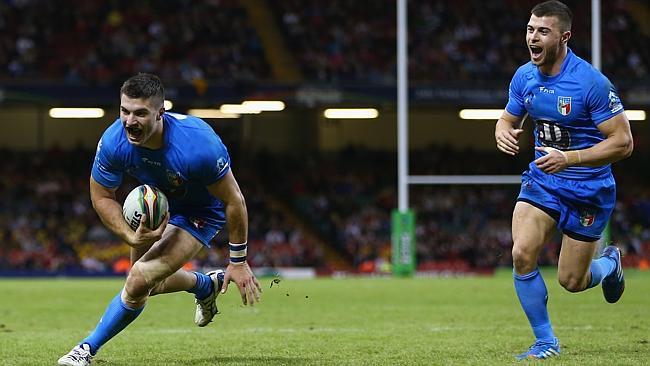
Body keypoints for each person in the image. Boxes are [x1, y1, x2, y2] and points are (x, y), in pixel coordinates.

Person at [58, 73, 262, 366]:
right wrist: (129, 236)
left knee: (138, 281)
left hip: (200, 213)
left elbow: (234, 200)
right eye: (124, 111)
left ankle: (85, 350)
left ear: (160, 113)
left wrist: (238, 261)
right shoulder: (114, 141)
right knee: (143, 284)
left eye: (140, 113)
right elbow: (101, 196)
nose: (129, 121)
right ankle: (204, 286)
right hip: (157, 208)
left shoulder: (198, 145)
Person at [494, 0, 633, 360]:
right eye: (529, 29)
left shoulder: (591, 83)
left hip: (589, 188)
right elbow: (508, 118)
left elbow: (623, 142)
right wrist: (503, 130)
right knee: (522, 254)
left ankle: (610, 264)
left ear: (564, 37)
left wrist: (569, 158)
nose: (532, 37)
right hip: (543, 181)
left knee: (572, 282)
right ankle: (545, 342)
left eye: (542, 31)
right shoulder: (524, 76)